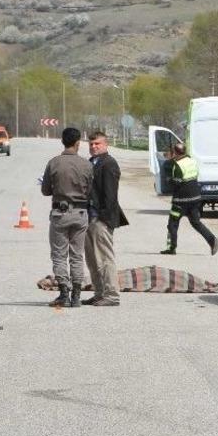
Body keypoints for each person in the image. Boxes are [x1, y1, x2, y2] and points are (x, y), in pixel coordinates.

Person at [41, 127, 94, 308]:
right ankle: (77, 296)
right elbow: (91, 191)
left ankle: (64, 293)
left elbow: (45, 190)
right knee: (77, 256)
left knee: (59, 255)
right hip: (80, 214)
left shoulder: (54, 163)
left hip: (60, 214)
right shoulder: (87, 165)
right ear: (78, 143)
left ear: (62, 142)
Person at [85, 131, 129, 307]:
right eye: (91, 144)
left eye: (97, 144)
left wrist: (103, 218)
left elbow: (111, 196)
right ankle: (99, 293)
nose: (94, 147)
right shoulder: (91, 162)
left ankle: (111, 295)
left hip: (101, 219)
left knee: (104, 259)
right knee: (92, 259)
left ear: (105, 144)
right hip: (89, 218)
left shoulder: (109, 164)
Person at [159, 142, 218, 256]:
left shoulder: (176, 165)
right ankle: (212, 240)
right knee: (196, 223)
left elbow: (176, 182)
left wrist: (168, 180)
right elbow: (194, 175)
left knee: (172, 224)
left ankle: (171, 248)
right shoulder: (192, 161)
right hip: (195, 198)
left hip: (181, 201)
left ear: (175, 152)